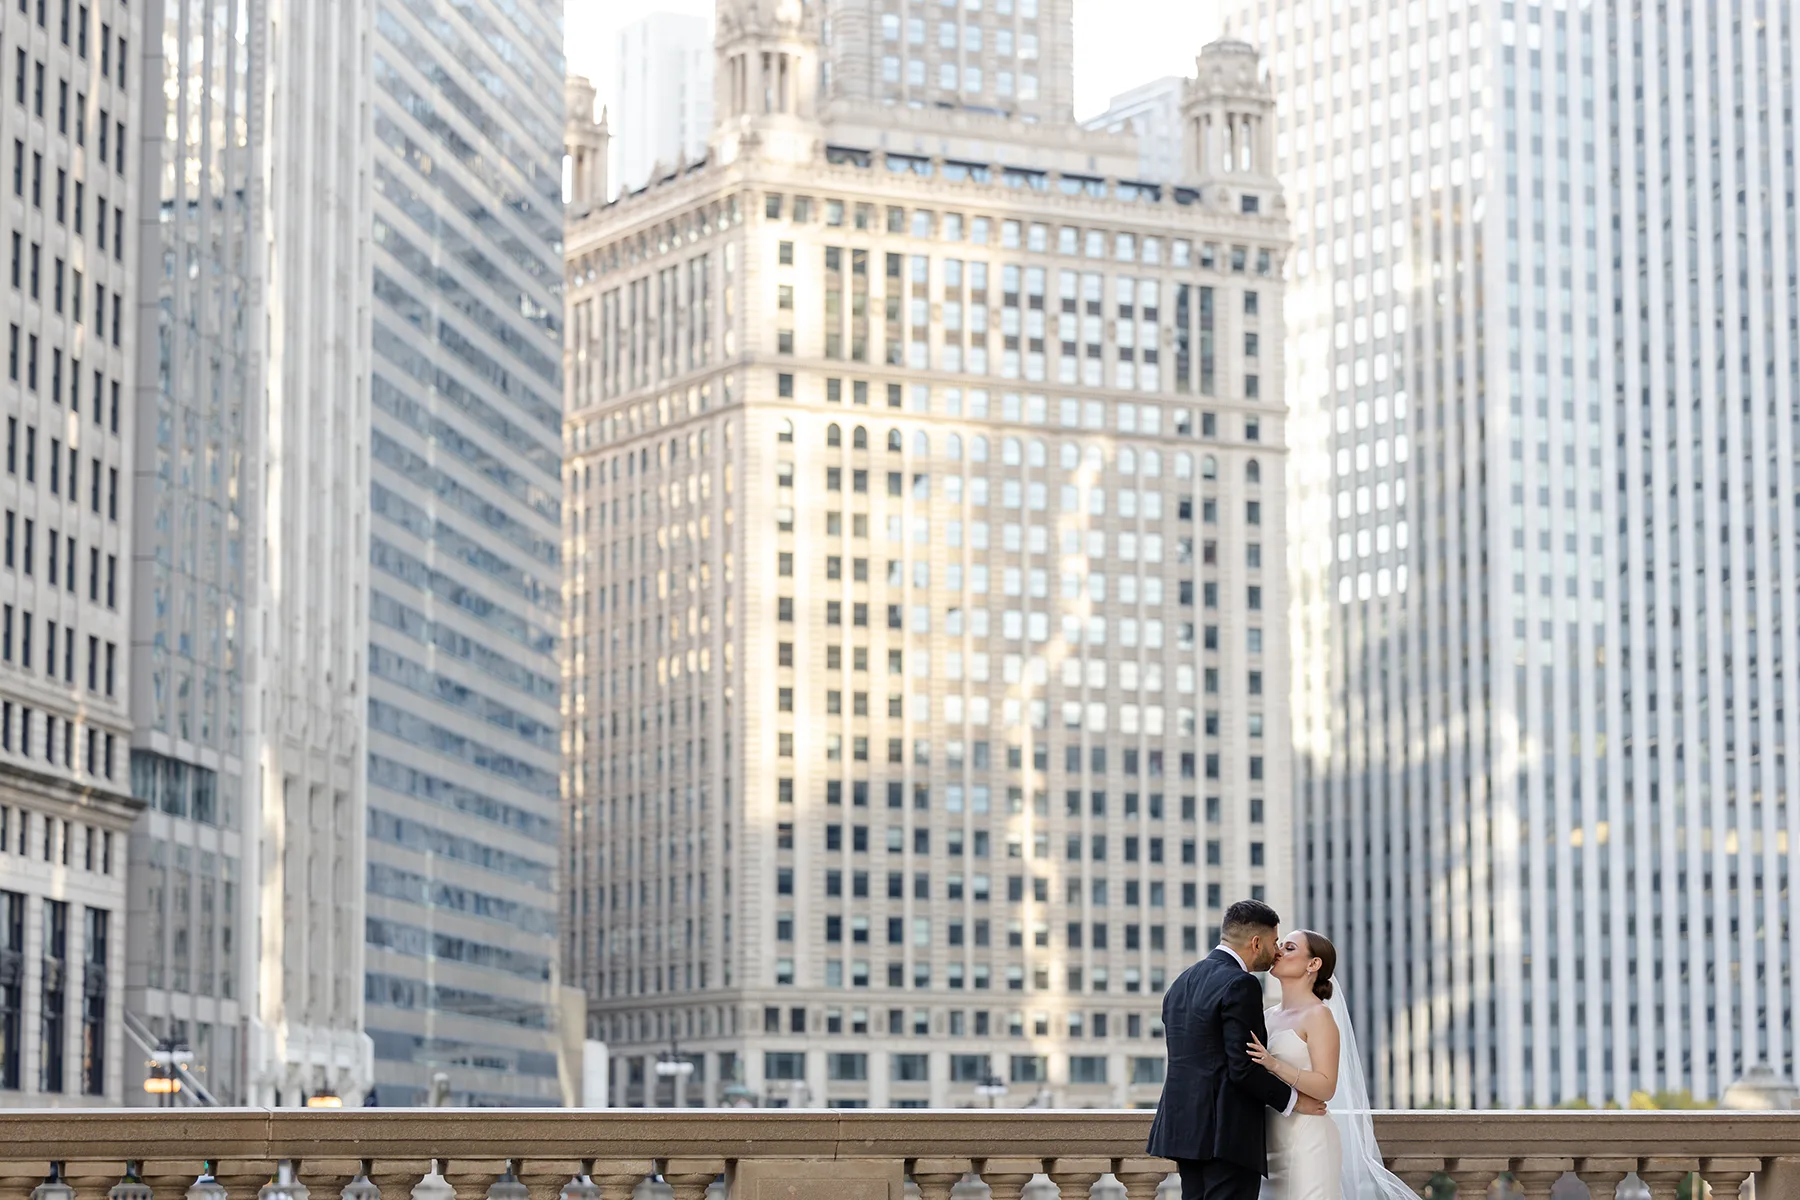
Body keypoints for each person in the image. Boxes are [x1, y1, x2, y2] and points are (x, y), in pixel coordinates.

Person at [1146, 899, 1329, 1200]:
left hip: (1184, 1130)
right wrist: (1294, 1101)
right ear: (1257, 943)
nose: (1277, 951)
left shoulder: (1181, 982)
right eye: (1274, 942)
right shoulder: (1241, 984)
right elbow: (1243, 1067)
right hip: (1226, 1135)